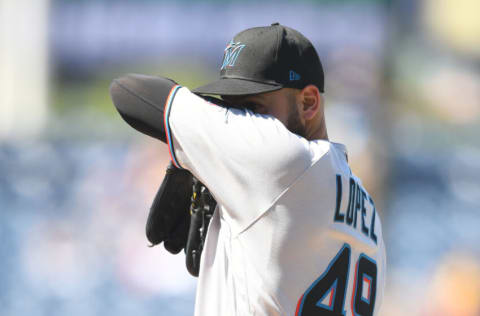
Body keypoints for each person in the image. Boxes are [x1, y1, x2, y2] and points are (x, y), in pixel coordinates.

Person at [110, 23, 386, 316]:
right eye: (229, 107)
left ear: (308, 103)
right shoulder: (368, 213)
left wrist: (191, 153)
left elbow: (128, 92)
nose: (239, 120)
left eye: (252, 107)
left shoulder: (283, 158)